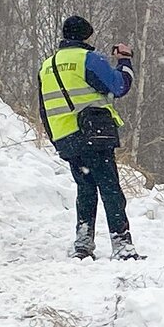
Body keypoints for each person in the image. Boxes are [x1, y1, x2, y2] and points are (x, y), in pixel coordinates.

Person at [38, 15, 140, 260]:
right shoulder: (88, 59)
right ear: (86, 36)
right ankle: (122, 245)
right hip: (93, 133)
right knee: (110, 188)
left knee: (85, 189)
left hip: (66, 137)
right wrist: (124, 60)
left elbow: (43, 108)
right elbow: (119, 86)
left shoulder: (47, 65)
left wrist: (56, 140)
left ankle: (83, 244)